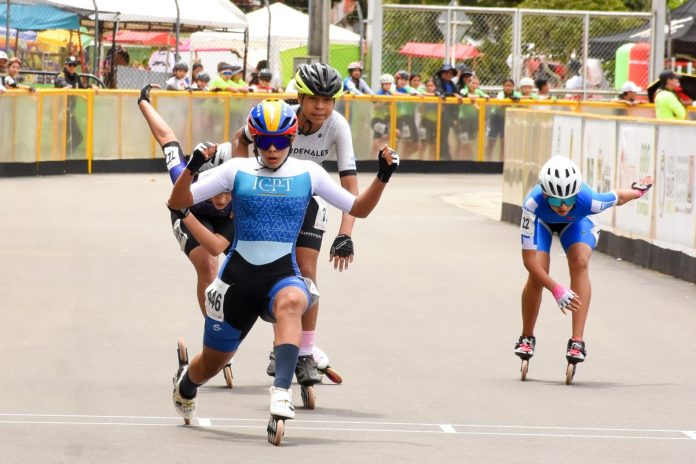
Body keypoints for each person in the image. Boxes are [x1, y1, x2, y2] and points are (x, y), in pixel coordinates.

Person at [168, 98, 399, 445]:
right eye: (264, 141)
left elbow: (359, 208)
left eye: (279, 141)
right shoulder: (236, 170)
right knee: (214, 362)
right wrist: (192, 167)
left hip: (282, 274)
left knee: (293, 301)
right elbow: (177, 202)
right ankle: (187, 383)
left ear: (291, 139)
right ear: (255, 141)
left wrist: (383, 176)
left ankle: (280, 393)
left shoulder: (309, 173)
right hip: (237, 281)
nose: (272, 149)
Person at [231, 63, 359, 384]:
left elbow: (350, 187)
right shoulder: (279, 115)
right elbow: (239, 138)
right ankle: (280, 341)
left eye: (328, 100)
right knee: (272, 271)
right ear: (299, 98)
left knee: (306, 272)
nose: (321, 106)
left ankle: (304, 351)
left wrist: (346, 233)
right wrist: (241, 188)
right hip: (267, 194)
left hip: (307, 197)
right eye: (314, 98)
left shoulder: (337, 125)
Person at [137, 84, 236, 386]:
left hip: (229, 223)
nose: (222, 198)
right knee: (208, 264)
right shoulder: (185, 177)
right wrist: (144, 102)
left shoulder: (243, 178)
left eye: (228, 192)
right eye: (216, 191)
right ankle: (215, 337)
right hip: (189, 214)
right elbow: (166, 137)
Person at [515, 156, 653, 371]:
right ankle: (527, 336)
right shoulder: (532, 204)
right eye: (556, 201)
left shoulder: (588, 200)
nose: (563, 207)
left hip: (577, 223)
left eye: (569, 200)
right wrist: (557, 289)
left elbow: (618, 197)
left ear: (576, 194)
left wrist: (638, 192)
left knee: (580, 261)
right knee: (538, 271)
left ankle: (577, 340)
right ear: (545, 194)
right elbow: (529, 261)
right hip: (541, 223)